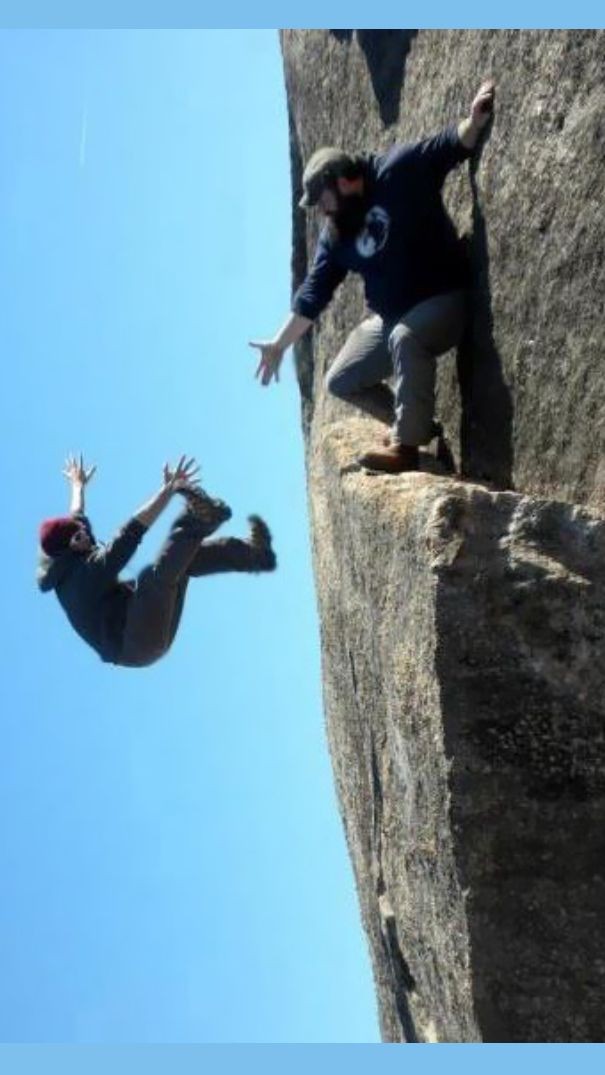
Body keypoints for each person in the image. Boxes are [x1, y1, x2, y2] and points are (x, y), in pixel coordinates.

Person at [250, 80, 495, 473]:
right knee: (341, 379)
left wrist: (473, 122)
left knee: (405, 337)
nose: (323, 212)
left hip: (443, 299)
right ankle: (420, 426)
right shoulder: (336, 235)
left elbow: (446, 148)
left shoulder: (396, 173)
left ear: (343, 181)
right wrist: (279, 345)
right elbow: (313, 294)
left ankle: (407, 447)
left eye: (323, 201)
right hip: (391, 316)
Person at [37, 454, 276, 668]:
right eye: (80, 537)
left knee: (183, 562)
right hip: (134, 642)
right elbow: (130, 533)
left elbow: (76, 514)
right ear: (68, 550)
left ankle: (256, 555)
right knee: (153, 578)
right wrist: (168, 490)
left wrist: (77, 485)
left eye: (82, 531)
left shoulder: (73, 543)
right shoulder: (84, 578)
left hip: (140, 624)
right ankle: (199, 519)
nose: (88, 538)